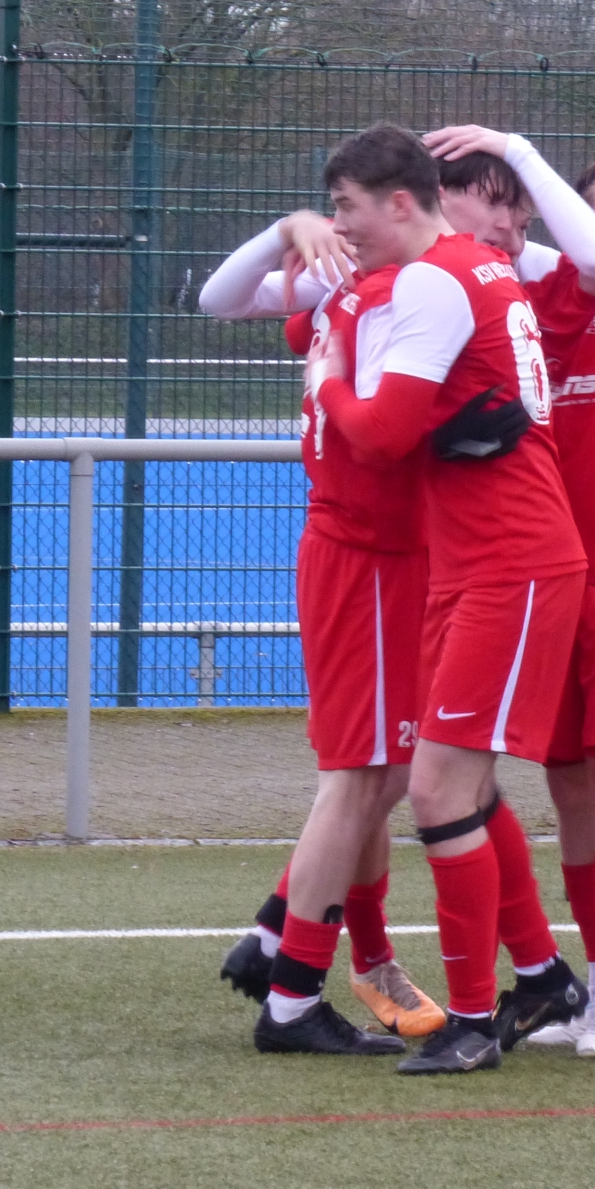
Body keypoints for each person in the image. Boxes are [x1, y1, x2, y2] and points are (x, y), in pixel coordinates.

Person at [309, 123, 591, 1075]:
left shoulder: (437, 279)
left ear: (401, 202)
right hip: (475, 557)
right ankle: (537, 977)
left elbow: (384, 433)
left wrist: (328, 382)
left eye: (347, 207)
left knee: (437, 789)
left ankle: (473, 1016)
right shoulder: (474, 268)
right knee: (461, 787)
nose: (341, 226)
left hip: (510, 559)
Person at [426, 126, 595, 1059]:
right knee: (571, 788)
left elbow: (594, 256)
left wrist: (516, 149)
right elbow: (502, 242)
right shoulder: (523, 296)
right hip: (549, 577)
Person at [197, 212, 443, 1054]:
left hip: (397, 558)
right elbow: (220, 299)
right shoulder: (380, 289)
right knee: (366, 779)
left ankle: (280, 939)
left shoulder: (430, 283)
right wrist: (282, 230)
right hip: (368, 560)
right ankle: (295, 995)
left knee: (386, 775)